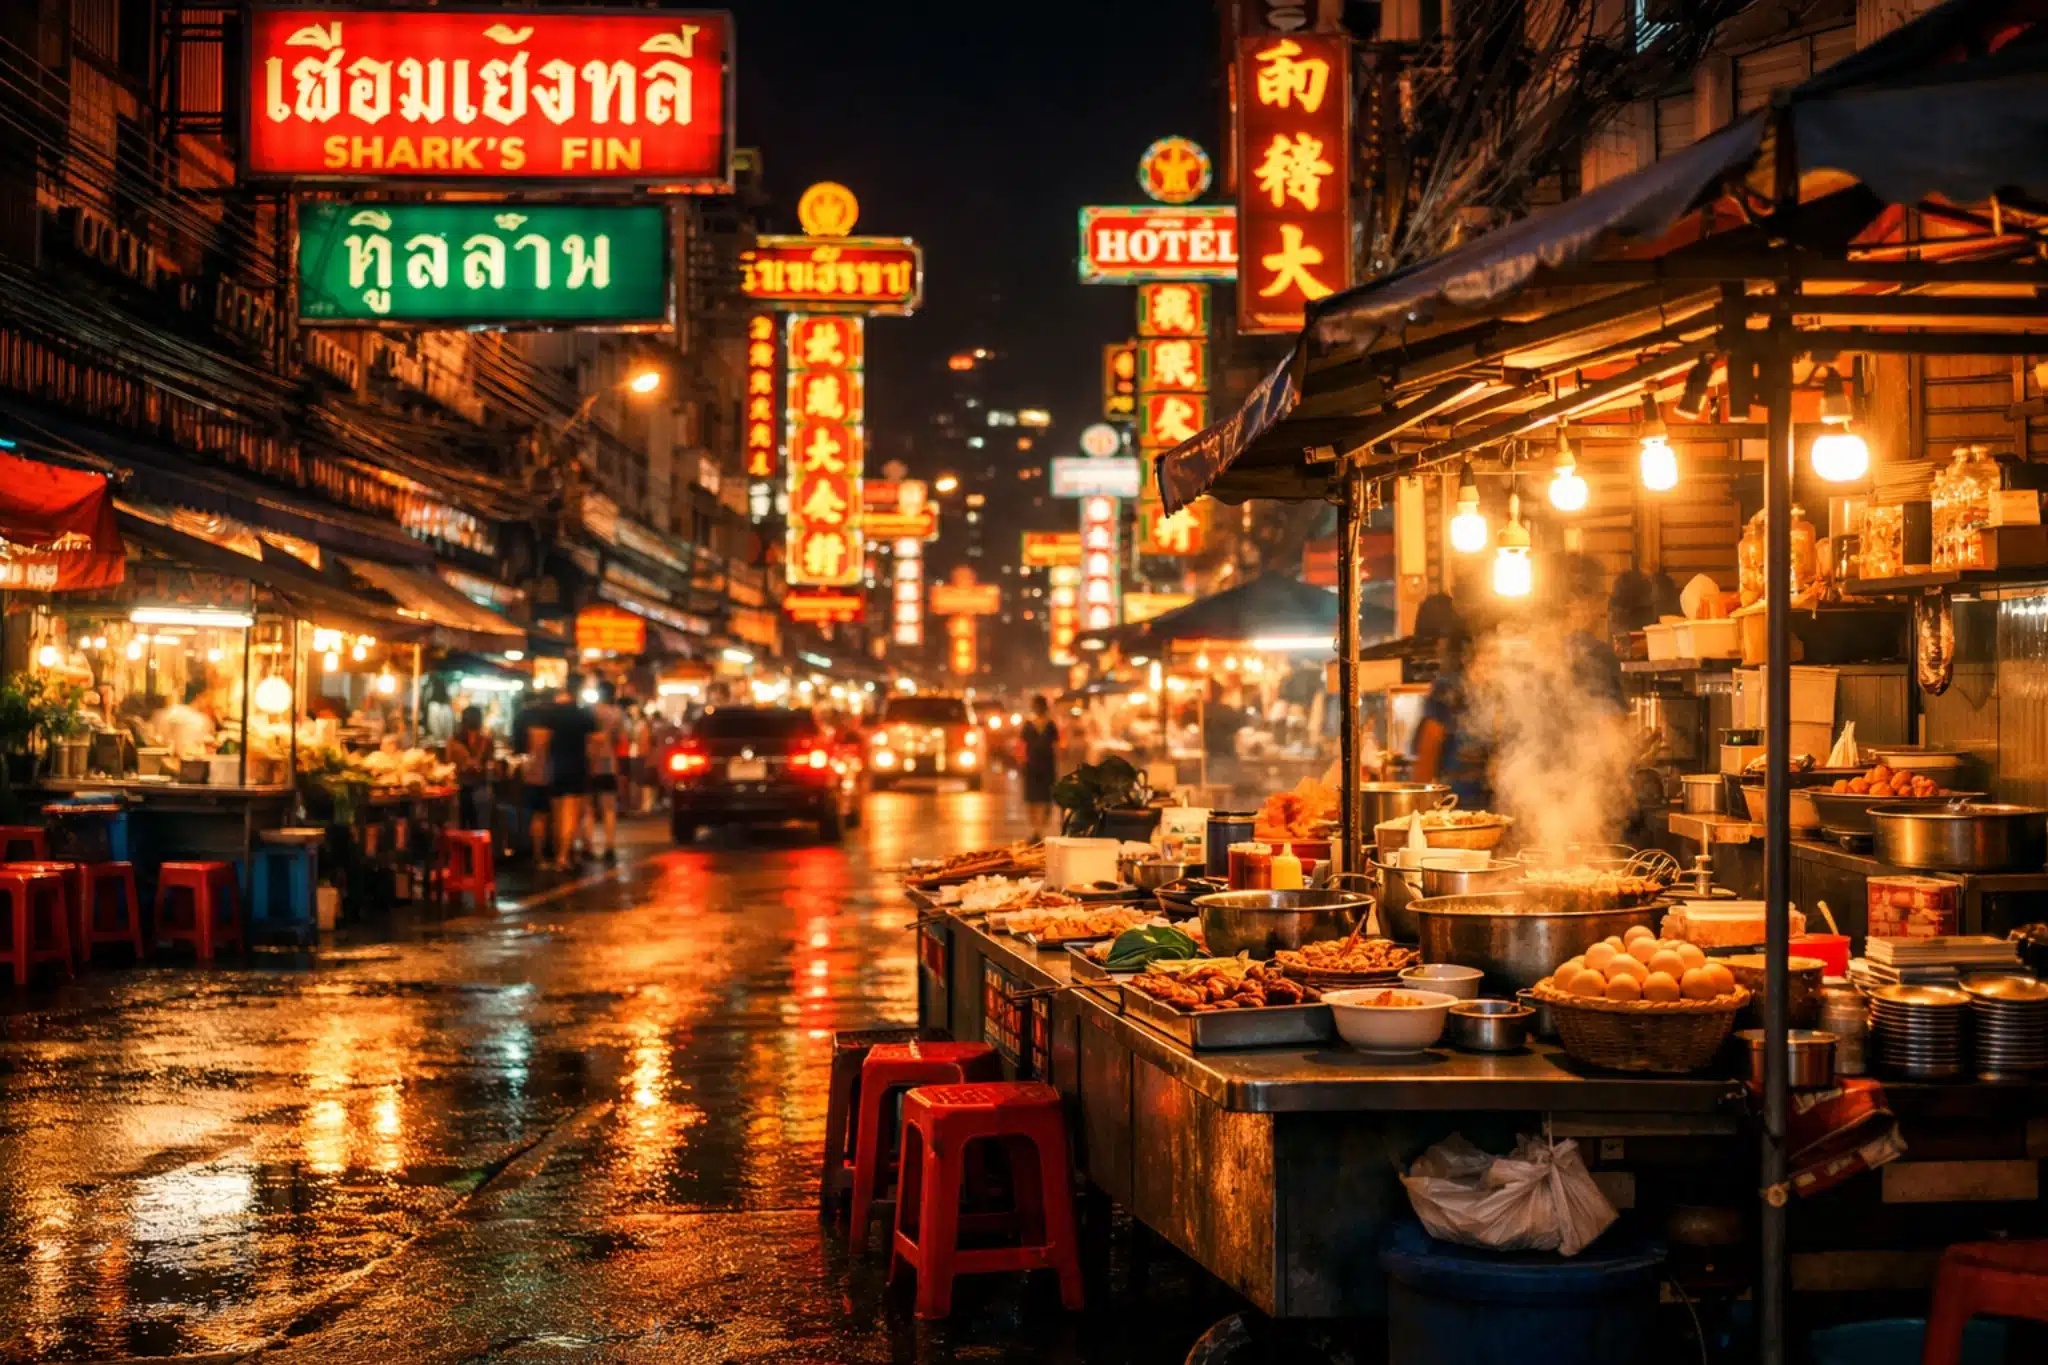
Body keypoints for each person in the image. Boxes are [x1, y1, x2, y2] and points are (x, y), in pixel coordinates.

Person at [1411, 626, 1489, 808]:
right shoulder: (1447, 690)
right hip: (1457, 803)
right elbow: (1430, 745)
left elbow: (1427, 749)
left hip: (1476, 801)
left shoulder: (1488, 691)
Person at [541, 685, 596, 870]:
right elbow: (593, 743)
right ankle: (564, 855)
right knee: (571, 814)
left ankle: (561, 852)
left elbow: (543, 741)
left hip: (555, 765)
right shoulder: (583, 714)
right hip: (577, 765)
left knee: (557, 814)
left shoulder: (550, 714)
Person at [511, 691, 554, 864]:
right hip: (548, 773)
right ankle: (542, 854)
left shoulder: (522, 716)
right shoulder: (552, 719)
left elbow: (516, 747)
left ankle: (529, 851)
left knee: (528, 814)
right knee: (543, 816)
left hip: (526, 772)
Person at [585, 681, 623, 864]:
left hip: (589, 764)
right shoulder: (617, 713)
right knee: (608, 808)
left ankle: (589, 846)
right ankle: (609, 845)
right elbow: (620, 738)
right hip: (609, 763)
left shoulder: (589, 711)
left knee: (589, 808)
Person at [1017, 694, 1060, 838]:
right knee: (1032, 800)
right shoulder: (1028, 725)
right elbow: (1022, 745)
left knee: (1045, 799)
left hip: (1047, 766)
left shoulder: (1051, 725)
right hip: (1032, 766)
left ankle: (1039, 828)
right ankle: (1036, 829)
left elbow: (1057, 745)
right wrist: (1021, 761)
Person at [448, 705, 493, 833]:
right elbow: (490, 764)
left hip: (465, 789)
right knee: (476, 826)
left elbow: (448, 763)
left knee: (463, 826)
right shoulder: (484, 740)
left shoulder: (454, 741)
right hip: (471, 789)